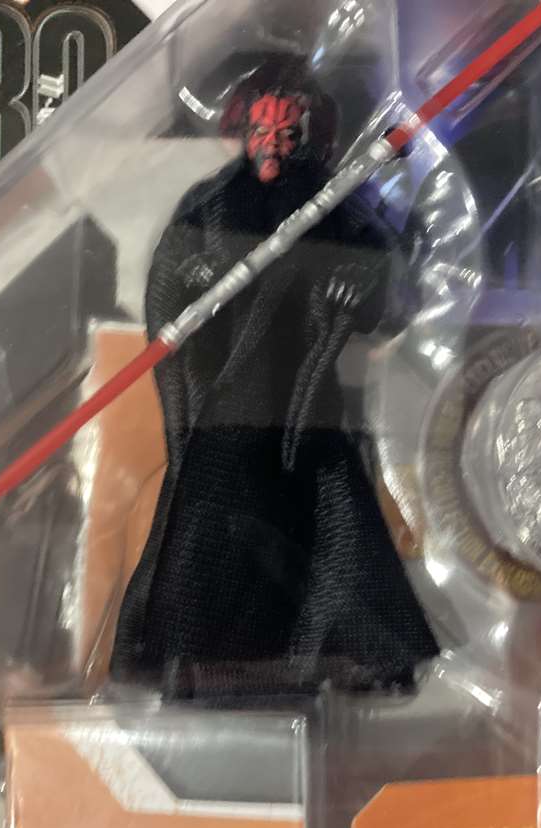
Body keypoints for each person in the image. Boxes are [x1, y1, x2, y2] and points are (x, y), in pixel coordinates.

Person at [110, 59, 438, 701]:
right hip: (230, 393)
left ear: (309, 140)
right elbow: (167, 286)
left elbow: (387, 297)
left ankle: (356, 656)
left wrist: (356, 286)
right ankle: (192, 664)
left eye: (288, 135)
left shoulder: (334, 203)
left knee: (332, 514)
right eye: (263, 132)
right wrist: (196, 294)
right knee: (217, 516)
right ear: (244, 132)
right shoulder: (212, 204)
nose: (274, 147)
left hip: (306, 395)